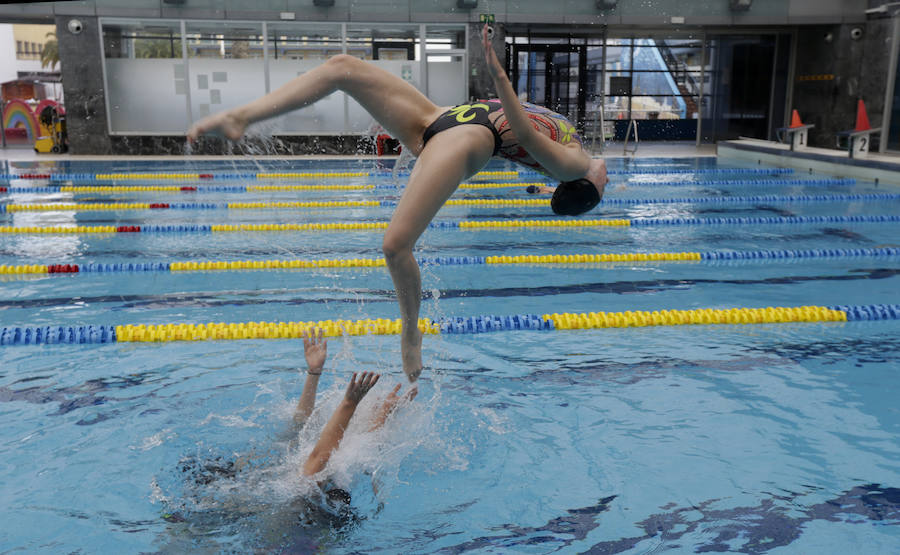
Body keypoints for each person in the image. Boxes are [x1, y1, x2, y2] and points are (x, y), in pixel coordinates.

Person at [186, 24, 609, 382]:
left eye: (605, 186)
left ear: (590, 187)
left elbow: (528, 135)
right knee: (342, 68)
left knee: (395, 245)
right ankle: (241, 117)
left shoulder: (573, 166)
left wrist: (499, 76)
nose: (611, 178)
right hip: (438, 117)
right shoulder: (575, 141)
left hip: (467, 140)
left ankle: (410, 335)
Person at [294, 329, 417, 506]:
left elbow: (320, 455)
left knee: (297, 431)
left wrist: (350, 403)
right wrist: (381, 412)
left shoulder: (303, 493)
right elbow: (358, 450)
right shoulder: (309, 494)